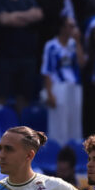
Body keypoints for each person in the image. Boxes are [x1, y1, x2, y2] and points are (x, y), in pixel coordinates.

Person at [41, 16, 85, 147]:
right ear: (62, 28)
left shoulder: (74, 44)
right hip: (58, 87)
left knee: (75, 122)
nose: (73, 29)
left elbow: (82, 63)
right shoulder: (51, 45)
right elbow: (47, 70)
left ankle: (74, 150)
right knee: (59, 123)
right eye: (70, 26)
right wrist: (50, 93)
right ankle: (58, 150)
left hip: (74, 87)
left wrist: (78, 42)